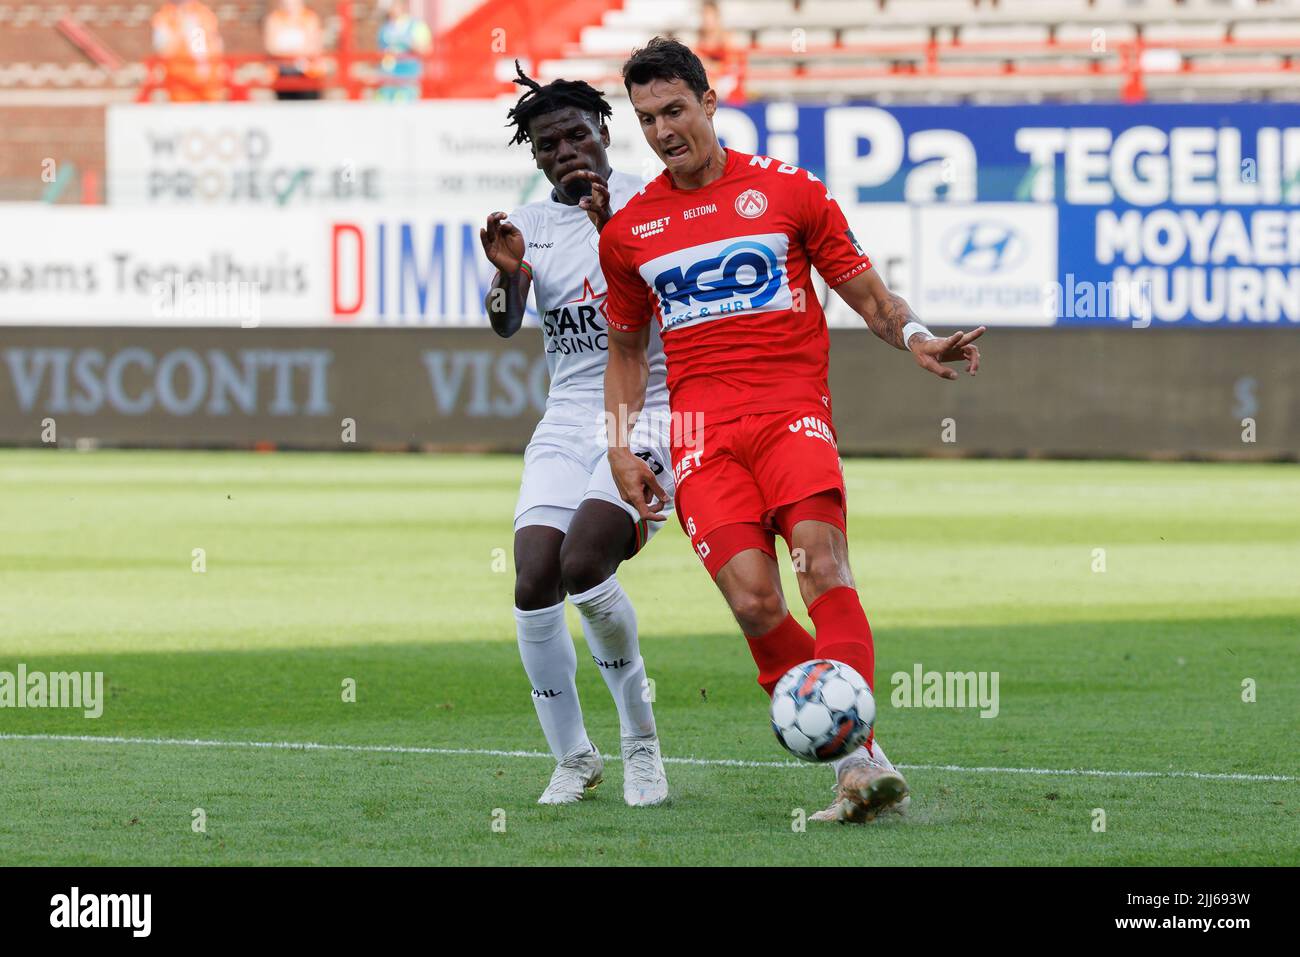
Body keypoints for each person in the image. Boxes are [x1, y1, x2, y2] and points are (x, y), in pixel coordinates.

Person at [598, 38, 985, 823]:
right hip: (702, 437)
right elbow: (628, 350)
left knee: (825, 568)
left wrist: (920, 339)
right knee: (752, 602)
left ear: (710, 103)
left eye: (675, 109)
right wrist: (619, 443)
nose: (664, 130)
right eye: (646, 119)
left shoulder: (789, 192)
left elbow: (872, 299)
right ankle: (856, 759)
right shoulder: (629, 232)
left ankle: (858, 761)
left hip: (790, 417)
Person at [477, 62, 674, 807]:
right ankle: (574, 756)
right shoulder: (527, 226)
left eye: (574, 134)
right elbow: (503, 322)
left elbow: (665, 302)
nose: (564, 151)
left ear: (603, 133)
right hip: (567, 415)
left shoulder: (655, 203)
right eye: (547, 144)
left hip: (653, 409)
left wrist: (609, 229)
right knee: (533, 576)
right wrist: (506, 276)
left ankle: (642, 744)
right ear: (535, 157)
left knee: (586, 561)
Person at [151, 0, 225, 102]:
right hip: (180, 86)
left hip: (208, 85)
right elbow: (164, 50)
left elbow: (211, 45)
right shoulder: (165, 16)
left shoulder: (203, 13)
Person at [264, 0, 324, 100]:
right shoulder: (275, 18)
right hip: (282, 72)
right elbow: (271, 47)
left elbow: (314, 46)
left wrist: (288, 51)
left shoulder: (309, 18)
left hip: (308, 72)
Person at [377, 0, 432, 101]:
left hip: (408, 79)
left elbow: (426, 49)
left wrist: (410, 44)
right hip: (388, 80)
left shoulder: (416, 26)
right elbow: (380, 53)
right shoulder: (385, 28)